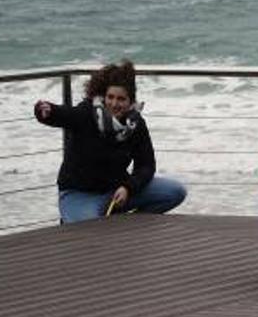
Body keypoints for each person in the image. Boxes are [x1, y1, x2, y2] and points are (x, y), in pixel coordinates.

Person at [33, 60, 186, 224]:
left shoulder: (135, 124)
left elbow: (146, 165)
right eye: (110, 97)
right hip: (80, 194)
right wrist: (46, 110)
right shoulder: (87, 113)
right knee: (89, 227)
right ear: (103, 97)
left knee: (175, 192)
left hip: (117, 191)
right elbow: (64, 114)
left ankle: (122, 225)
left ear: (130, 101)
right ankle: (101, 222)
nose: (114, 104)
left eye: (121, 99)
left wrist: (128, 187)